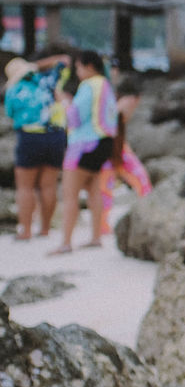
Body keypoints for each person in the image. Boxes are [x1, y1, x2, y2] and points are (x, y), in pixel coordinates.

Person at [51, 49, 117, 254]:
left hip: (84, 144)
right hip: (104, 142)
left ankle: (66, 243)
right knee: (94, 190)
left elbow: (75, 117)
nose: (77, 72)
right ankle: (95, 237)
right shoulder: (106, 85)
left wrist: (63, 100)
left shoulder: (89, 85)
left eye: (78, 67)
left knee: (70, 195)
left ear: (89, 67)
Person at [4, 54, 71, 239]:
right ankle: (45, 228)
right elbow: (64, 60)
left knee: (25, 187)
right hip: (55, 136)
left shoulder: (14, 89)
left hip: (30, 137)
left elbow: (10, 113)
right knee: (48, 186)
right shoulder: (47, 81)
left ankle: (25, 230)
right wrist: (35, 65)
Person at [97, 69, 152, 235]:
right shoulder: (125, 102)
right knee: (140, 180)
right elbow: (114, 127)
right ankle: (149, 212)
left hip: (111, 147)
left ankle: (102, 225)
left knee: (105, 187)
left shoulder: (114, 99)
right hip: (114, 147)